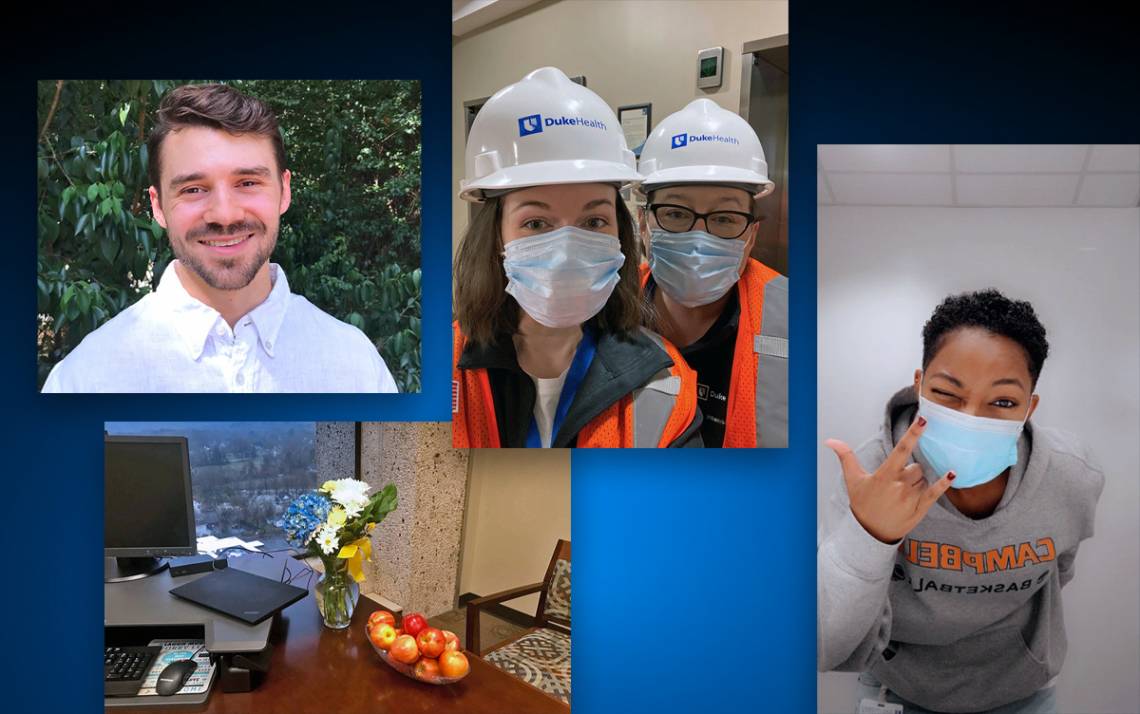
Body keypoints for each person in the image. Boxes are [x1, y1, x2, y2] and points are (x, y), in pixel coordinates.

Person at [818, 289, 1104, 714]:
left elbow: (1057, 571)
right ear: (920, 386)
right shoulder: (872, 473)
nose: (971, 417)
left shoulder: (1071, 476)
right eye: (948, 394)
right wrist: (870, 537)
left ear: (1030, 407)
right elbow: (825, 645)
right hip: (896, 693)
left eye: (1003, 401)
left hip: (1021, 694)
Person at [42, 83, 397, 393]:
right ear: (159, 206)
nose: (225, 215)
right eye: (194, 189)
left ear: (284, 191)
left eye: (248, 183)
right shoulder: (84, 379)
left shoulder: (355, 365)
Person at [452, 67, 701, 448]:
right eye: (536, 223)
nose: (566, 250)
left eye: (593, 220)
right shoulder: (443, 369)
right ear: (496, 237)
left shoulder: (665, 383)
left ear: (621, 232)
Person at [635, 99, 787, 448]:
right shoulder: (605, 312)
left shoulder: (799, 319)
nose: (698, 237)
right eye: (675, 213)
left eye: (724, 218)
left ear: (751, 235)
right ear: (644, 224)